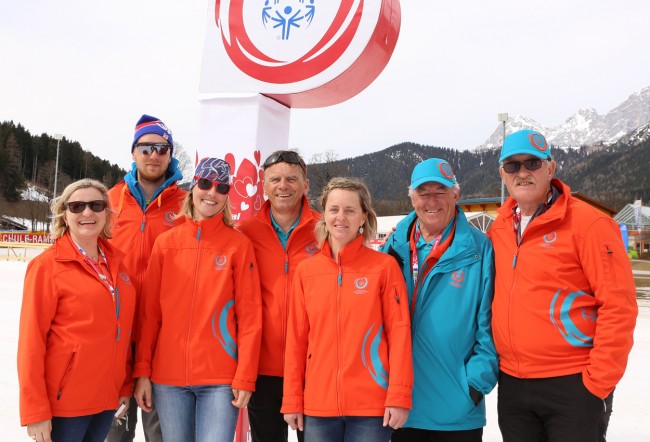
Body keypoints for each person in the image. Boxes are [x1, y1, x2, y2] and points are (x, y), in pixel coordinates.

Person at [489, 129, 638, 442]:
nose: (522, 172)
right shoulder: (498, 229)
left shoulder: (590, 224)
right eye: (512, 166)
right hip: (514, 385)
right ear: (503, 174)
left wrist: (597, 383)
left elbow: (618, 305)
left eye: (532, 163)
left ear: (551, 168)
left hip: (573, 383)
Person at [133, 157, 263, 442]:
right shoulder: (166, 243)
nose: (212, 192)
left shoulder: (238, 245)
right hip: (168, 378)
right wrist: (143, 371)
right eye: (205, 183)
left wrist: (245, 375)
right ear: (192, 187)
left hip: (219, 380)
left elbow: (250, 317)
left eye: (222, 187)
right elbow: (149, 315)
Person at [282, 177, 413, 442]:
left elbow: (399, 335)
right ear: (324, 215)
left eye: (350, 210)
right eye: (334, 209)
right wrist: (292, 398)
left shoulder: (384, 268)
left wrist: (399, 395)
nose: (340, 217)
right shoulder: (307, 272)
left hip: (371, 408)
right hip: (318, 406)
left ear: (363, 217)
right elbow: (296, 340)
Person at [381, 158, 498, 441]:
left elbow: (491, 325)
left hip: (455, 411)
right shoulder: (393, 248)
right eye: (423, 193)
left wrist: (472, 386)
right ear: (412, 199)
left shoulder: (479, 248)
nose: (431, 201)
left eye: (440, 191)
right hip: (399, 408)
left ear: (456, 195)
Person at [18, 179, 136, 442]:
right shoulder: (47, 267)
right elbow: (31, 342)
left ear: (107, 213)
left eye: (96, 205)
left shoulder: (119, 266)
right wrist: (35, 409)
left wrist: (124, 386)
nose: (87, 212)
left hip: (106, 400)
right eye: (77, 206)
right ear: (64, 214)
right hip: (65, 403)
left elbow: (123, 332)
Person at [106, 114, 186, 442]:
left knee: (161, 432)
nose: (154, 155)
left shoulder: (187, 204)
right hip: (115, 332)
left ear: (170, 154)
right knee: (114, 431)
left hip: (163, 335)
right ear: (133, 152)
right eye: (146, 147)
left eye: (162, 148)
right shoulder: (109, 200)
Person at [238, 150, 319, 442]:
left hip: (313, 363)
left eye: (291, 179)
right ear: (264, 185)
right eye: (275, 179)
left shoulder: (325, 229)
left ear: (305, 184)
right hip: (263, 366)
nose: (283, 185)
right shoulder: (245, 232)